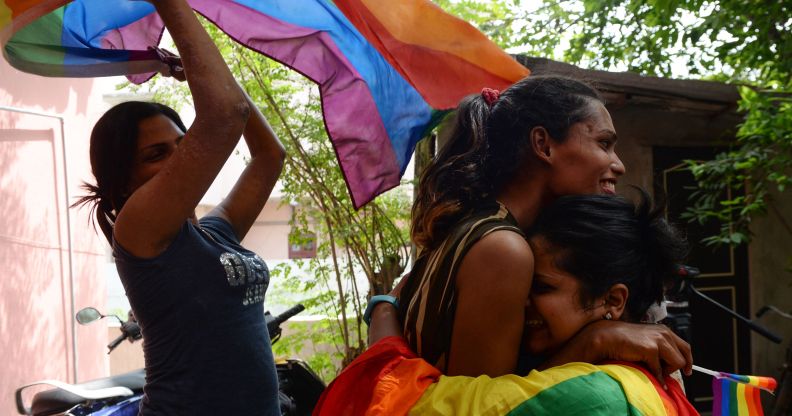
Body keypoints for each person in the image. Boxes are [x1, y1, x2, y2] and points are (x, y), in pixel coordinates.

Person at [395, 75, 690, 378]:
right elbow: (486, 408)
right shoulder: (503, 247)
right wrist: (595, 341)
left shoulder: (475, 224)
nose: (619, 164)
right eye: (603, 143)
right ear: (543, 145)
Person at [73, 0, 285, 414]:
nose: (179, 159)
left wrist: (202, 77)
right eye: (156, 154)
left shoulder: (215, 232)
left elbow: (269, 156)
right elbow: (225, 116)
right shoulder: (137, 231)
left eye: (182, 145)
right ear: (124, 180)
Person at [316, 192, 699, 415]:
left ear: (612, 300)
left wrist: (383, 310)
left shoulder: (595, 394)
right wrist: (592, 342)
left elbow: (407, 406)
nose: (521, 300)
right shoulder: (630, 377)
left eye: (542, 287)